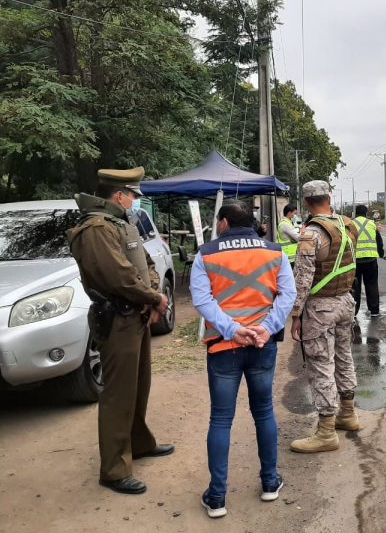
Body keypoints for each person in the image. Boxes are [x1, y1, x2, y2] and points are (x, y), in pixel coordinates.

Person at [67, 167, 172, 495]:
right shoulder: (96, 228)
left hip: (136, 316)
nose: (135, 200)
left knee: (139, 386)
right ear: (118, 194)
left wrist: (153, 296)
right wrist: (155, 297)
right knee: (117, 395)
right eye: (132, 194)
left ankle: (138, 443)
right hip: (119, 318)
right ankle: (113, 469)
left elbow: (146, 265)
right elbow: (119, 277)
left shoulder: (120, 224)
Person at [190, 201, 297, 518]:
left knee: (221, 419)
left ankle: (218, 498)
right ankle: (269, 482)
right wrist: (265, 328)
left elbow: (202, 299)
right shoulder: (275, 251)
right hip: (262, 346)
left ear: (223, 223)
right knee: (263, 411)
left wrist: (232, 330)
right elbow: (286, 295)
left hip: (224, 348)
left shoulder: (206, 254)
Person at [289, 180, 360, 454]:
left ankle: (326, 432)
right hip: (345, 301)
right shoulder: (347, 225)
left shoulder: (311, 233)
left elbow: (303, 277)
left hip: (321, 308)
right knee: (344, 358)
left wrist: (296, 314)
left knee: (320, 365)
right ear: (328, 198)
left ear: (307, 203)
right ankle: (348, 414)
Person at [351, 204, 384, 317]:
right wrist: (381, 254)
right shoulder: (371, 224)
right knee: (372, 284)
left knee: (355, 286)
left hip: (355, 261)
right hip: (370, 260)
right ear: (366, 213)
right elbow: (379, 241)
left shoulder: (351, 224)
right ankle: (374, 310)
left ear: (356, 213)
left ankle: (354, 311)